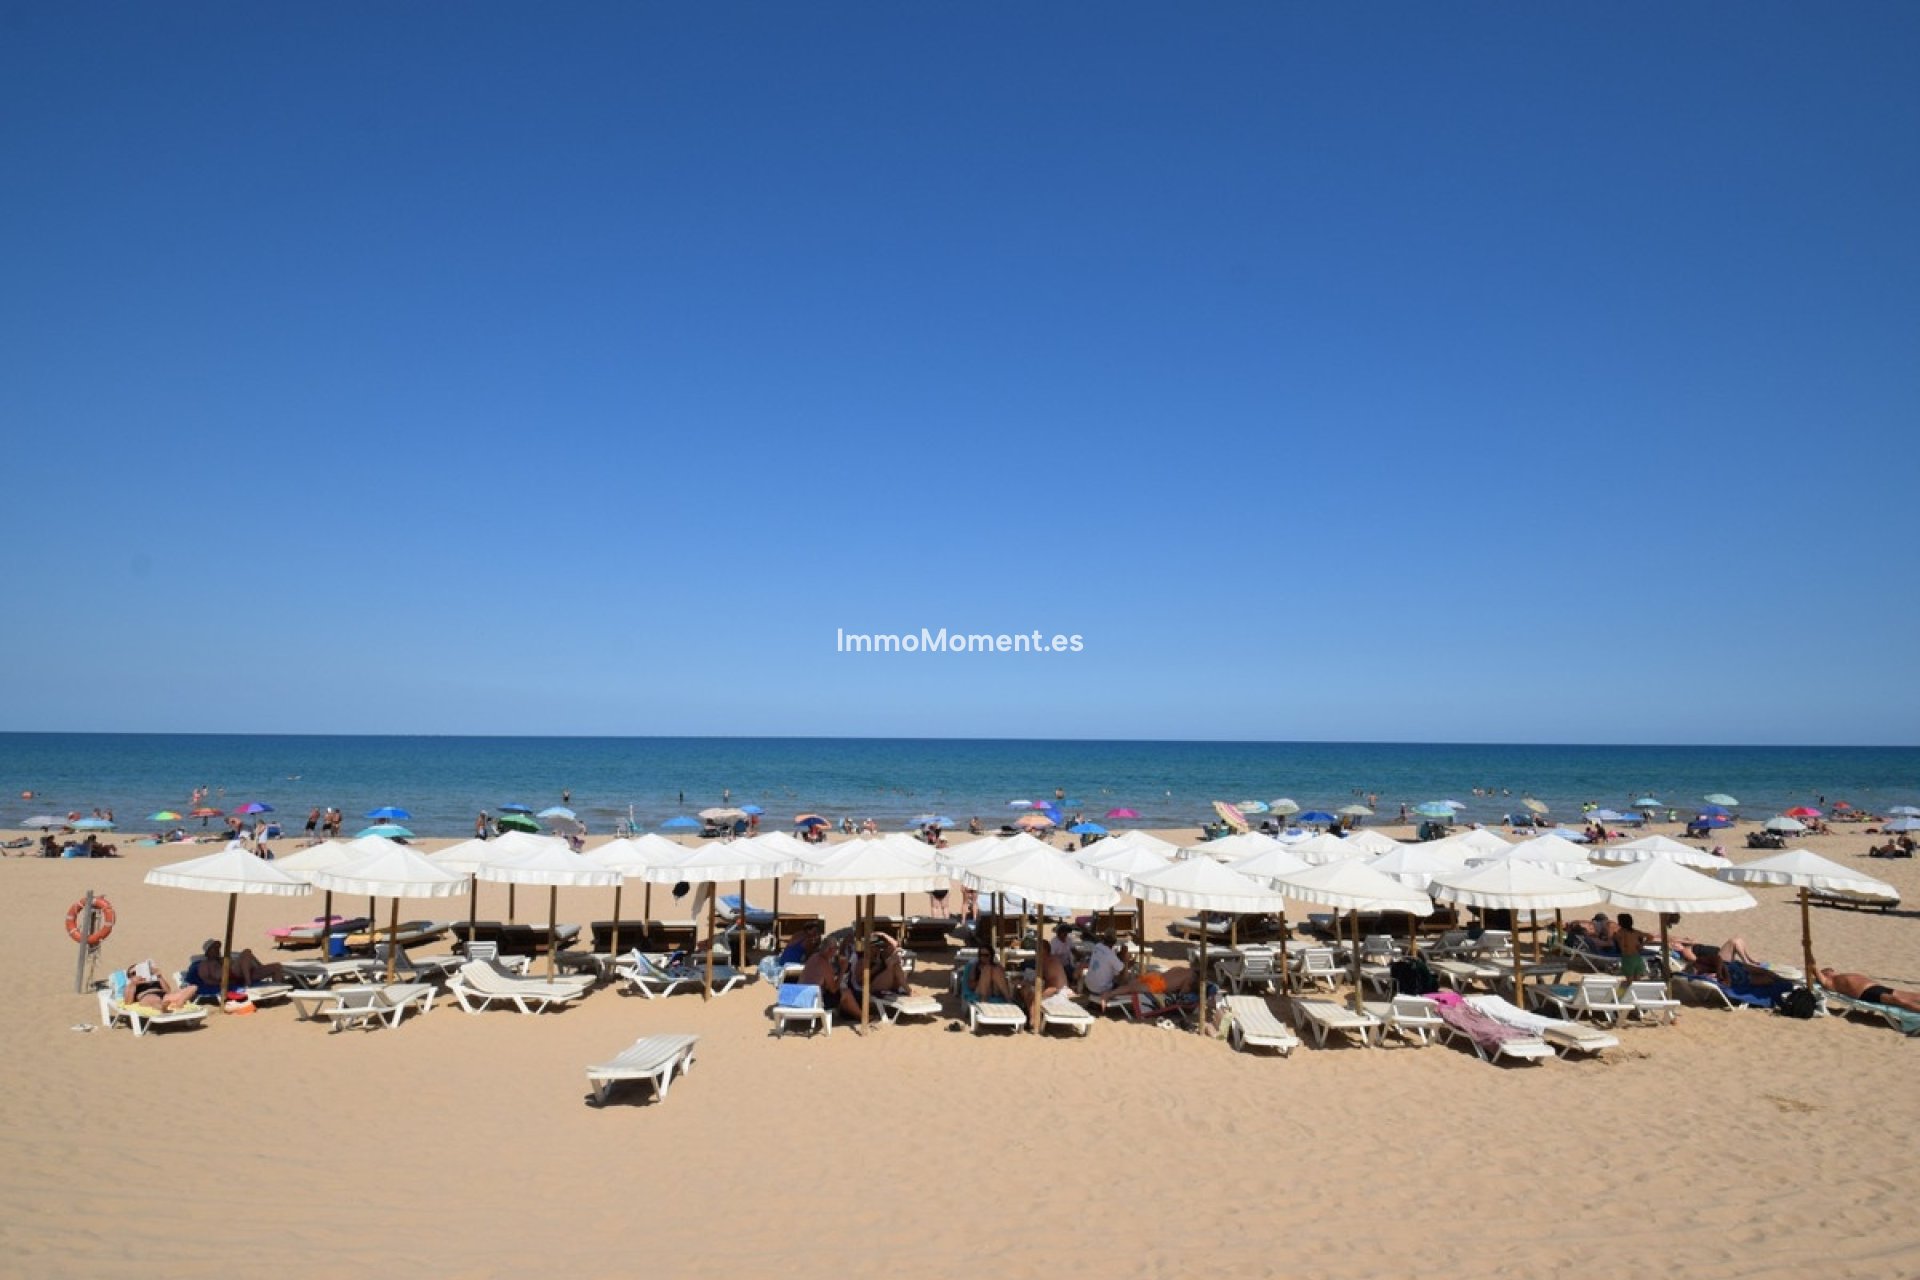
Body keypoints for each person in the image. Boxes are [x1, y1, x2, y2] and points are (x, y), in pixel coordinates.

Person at [192, 940, 285, 993]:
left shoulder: (222, 958)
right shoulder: (205, 964)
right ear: (207, 952)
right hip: (230, 977)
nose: (217, 950)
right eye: (214, 948)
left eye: (218, 948)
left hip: (241, 975)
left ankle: (277, 994)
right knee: (246, 952)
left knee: (277, 967)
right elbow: (209, 978)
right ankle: (248, 983)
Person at [1819, 970, 1920, 1012]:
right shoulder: (1829, 982)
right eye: (1828, 970)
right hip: (1866, 993)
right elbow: (1813, 967)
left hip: (1877, 987)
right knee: (1899, 1001)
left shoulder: (1841, 976)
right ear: (1825, 974)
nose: (1832, 970)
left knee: (1913, 996)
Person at [122, 960, 196, 1013]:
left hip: (163, 996)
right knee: (153, 999)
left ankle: (179, 1004)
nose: (136, 974)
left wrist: (159, 976)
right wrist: (133, 984)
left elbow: (168, 991)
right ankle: (162, 1008)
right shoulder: (131, 985)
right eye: (133, 973)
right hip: (146, 996)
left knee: (193, 987)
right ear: (130, 977)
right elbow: (128, 1003)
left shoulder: (154, 979)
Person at [1614, 914, 1652, 981]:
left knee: (1629, 981)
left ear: (1620, 923)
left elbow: (1622, 948)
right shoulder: (1635, 932)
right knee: (1637, 980)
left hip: (1627, 958)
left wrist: (1616, 938)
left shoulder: (1620, 933)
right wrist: (1642, 945)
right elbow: (1650, 937)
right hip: (1637, 958)